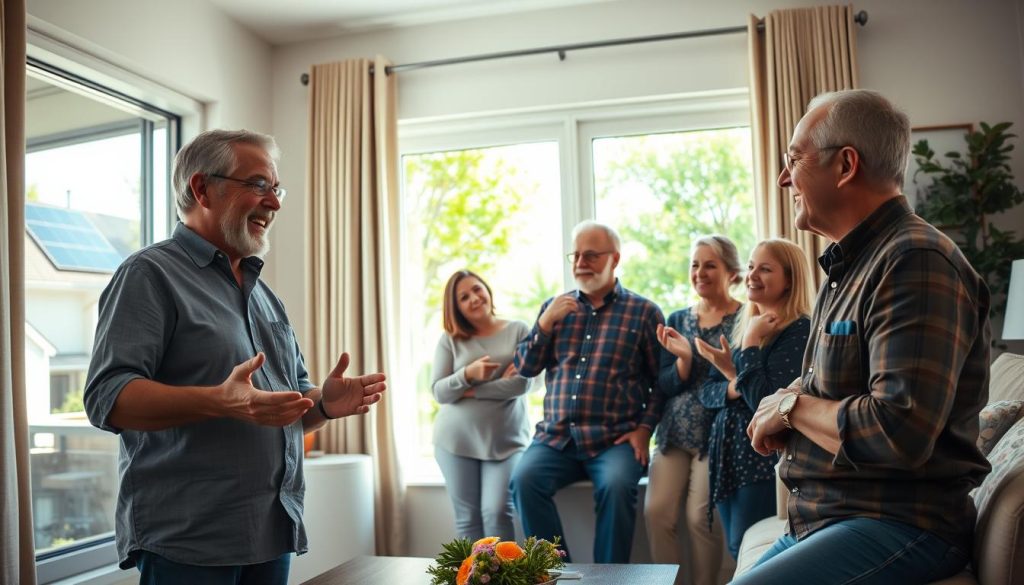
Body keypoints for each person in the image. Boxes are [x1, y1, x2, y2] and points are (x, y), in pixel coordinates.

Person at [83, 129, 387, 584]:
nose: (275, 203)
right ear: (203, 189)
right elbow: (107, 398)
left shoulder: (266, 296)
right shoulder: (148, 275)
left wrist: (322, 404)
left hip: (270, 532)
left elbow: (280, 412)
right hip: (190, 541)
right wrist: (219, 401)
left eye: (276, 189)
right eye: (259, 185)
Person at [738, 89, 991, 584]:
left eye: (794, 159)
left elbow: (899, 430)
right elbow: (838, 387)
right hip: (829, 517)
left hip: (900, 523)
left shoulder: (916, 262)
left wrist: (789, 408)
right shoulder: (850, 265)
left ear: (845, 164)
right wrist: (789, 398)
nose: (783, 177)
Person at [509, 220, 665, 564]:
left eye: (591, 255)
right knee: (523, 481)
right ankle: (554, 571)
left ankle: (606, 580)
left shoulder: (644, 312)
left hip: (615, 440)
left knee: (616, 487)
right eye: (576, 254)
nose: (580, 262)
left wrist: (644, 430)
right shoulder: (555, 308)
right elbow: (525, 367)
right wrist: (544, 324)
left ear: (615, 259)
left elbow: (663, 382)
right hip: (555, 439)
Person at [696, 239, 812, 559]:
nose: (752, 275)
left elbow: (765, 402)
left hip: (759, 460)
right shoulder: (749, 326)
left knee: (748, 551)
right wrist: (732, 371)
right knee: (737, 548)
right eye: (750, 267)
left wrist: (749, 343)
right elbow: (710, 393)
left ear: (790, 279)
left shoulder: (799, 330)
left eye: (765, 268)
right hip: (729, 456)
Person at [645, 235, 742, 585]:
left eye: (710, 265)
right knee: (656, 513)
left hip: (716, 434)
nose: (700, 272)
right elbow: (666, 383)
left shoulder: (746, 318)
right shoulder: (677, 318)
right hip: (674, 432)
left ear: (731, 272)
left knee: (700, 517)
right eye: (695, 264)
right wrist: (684, 359)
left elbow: (740, 379)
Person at [431, 269, 532, 541]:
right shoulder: (450, 339)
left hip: (507, 442)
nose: (474, 298)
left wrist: (468, 391)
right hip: (455, 442)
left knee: (497, 512)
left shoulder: (518, 330)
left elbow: (521, 385)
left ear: (487, 289)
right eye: (464, 297)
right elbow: (439, 392)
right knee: (468, 521)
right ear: (456, 308)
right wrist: (468, 374)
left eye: (477, 289)